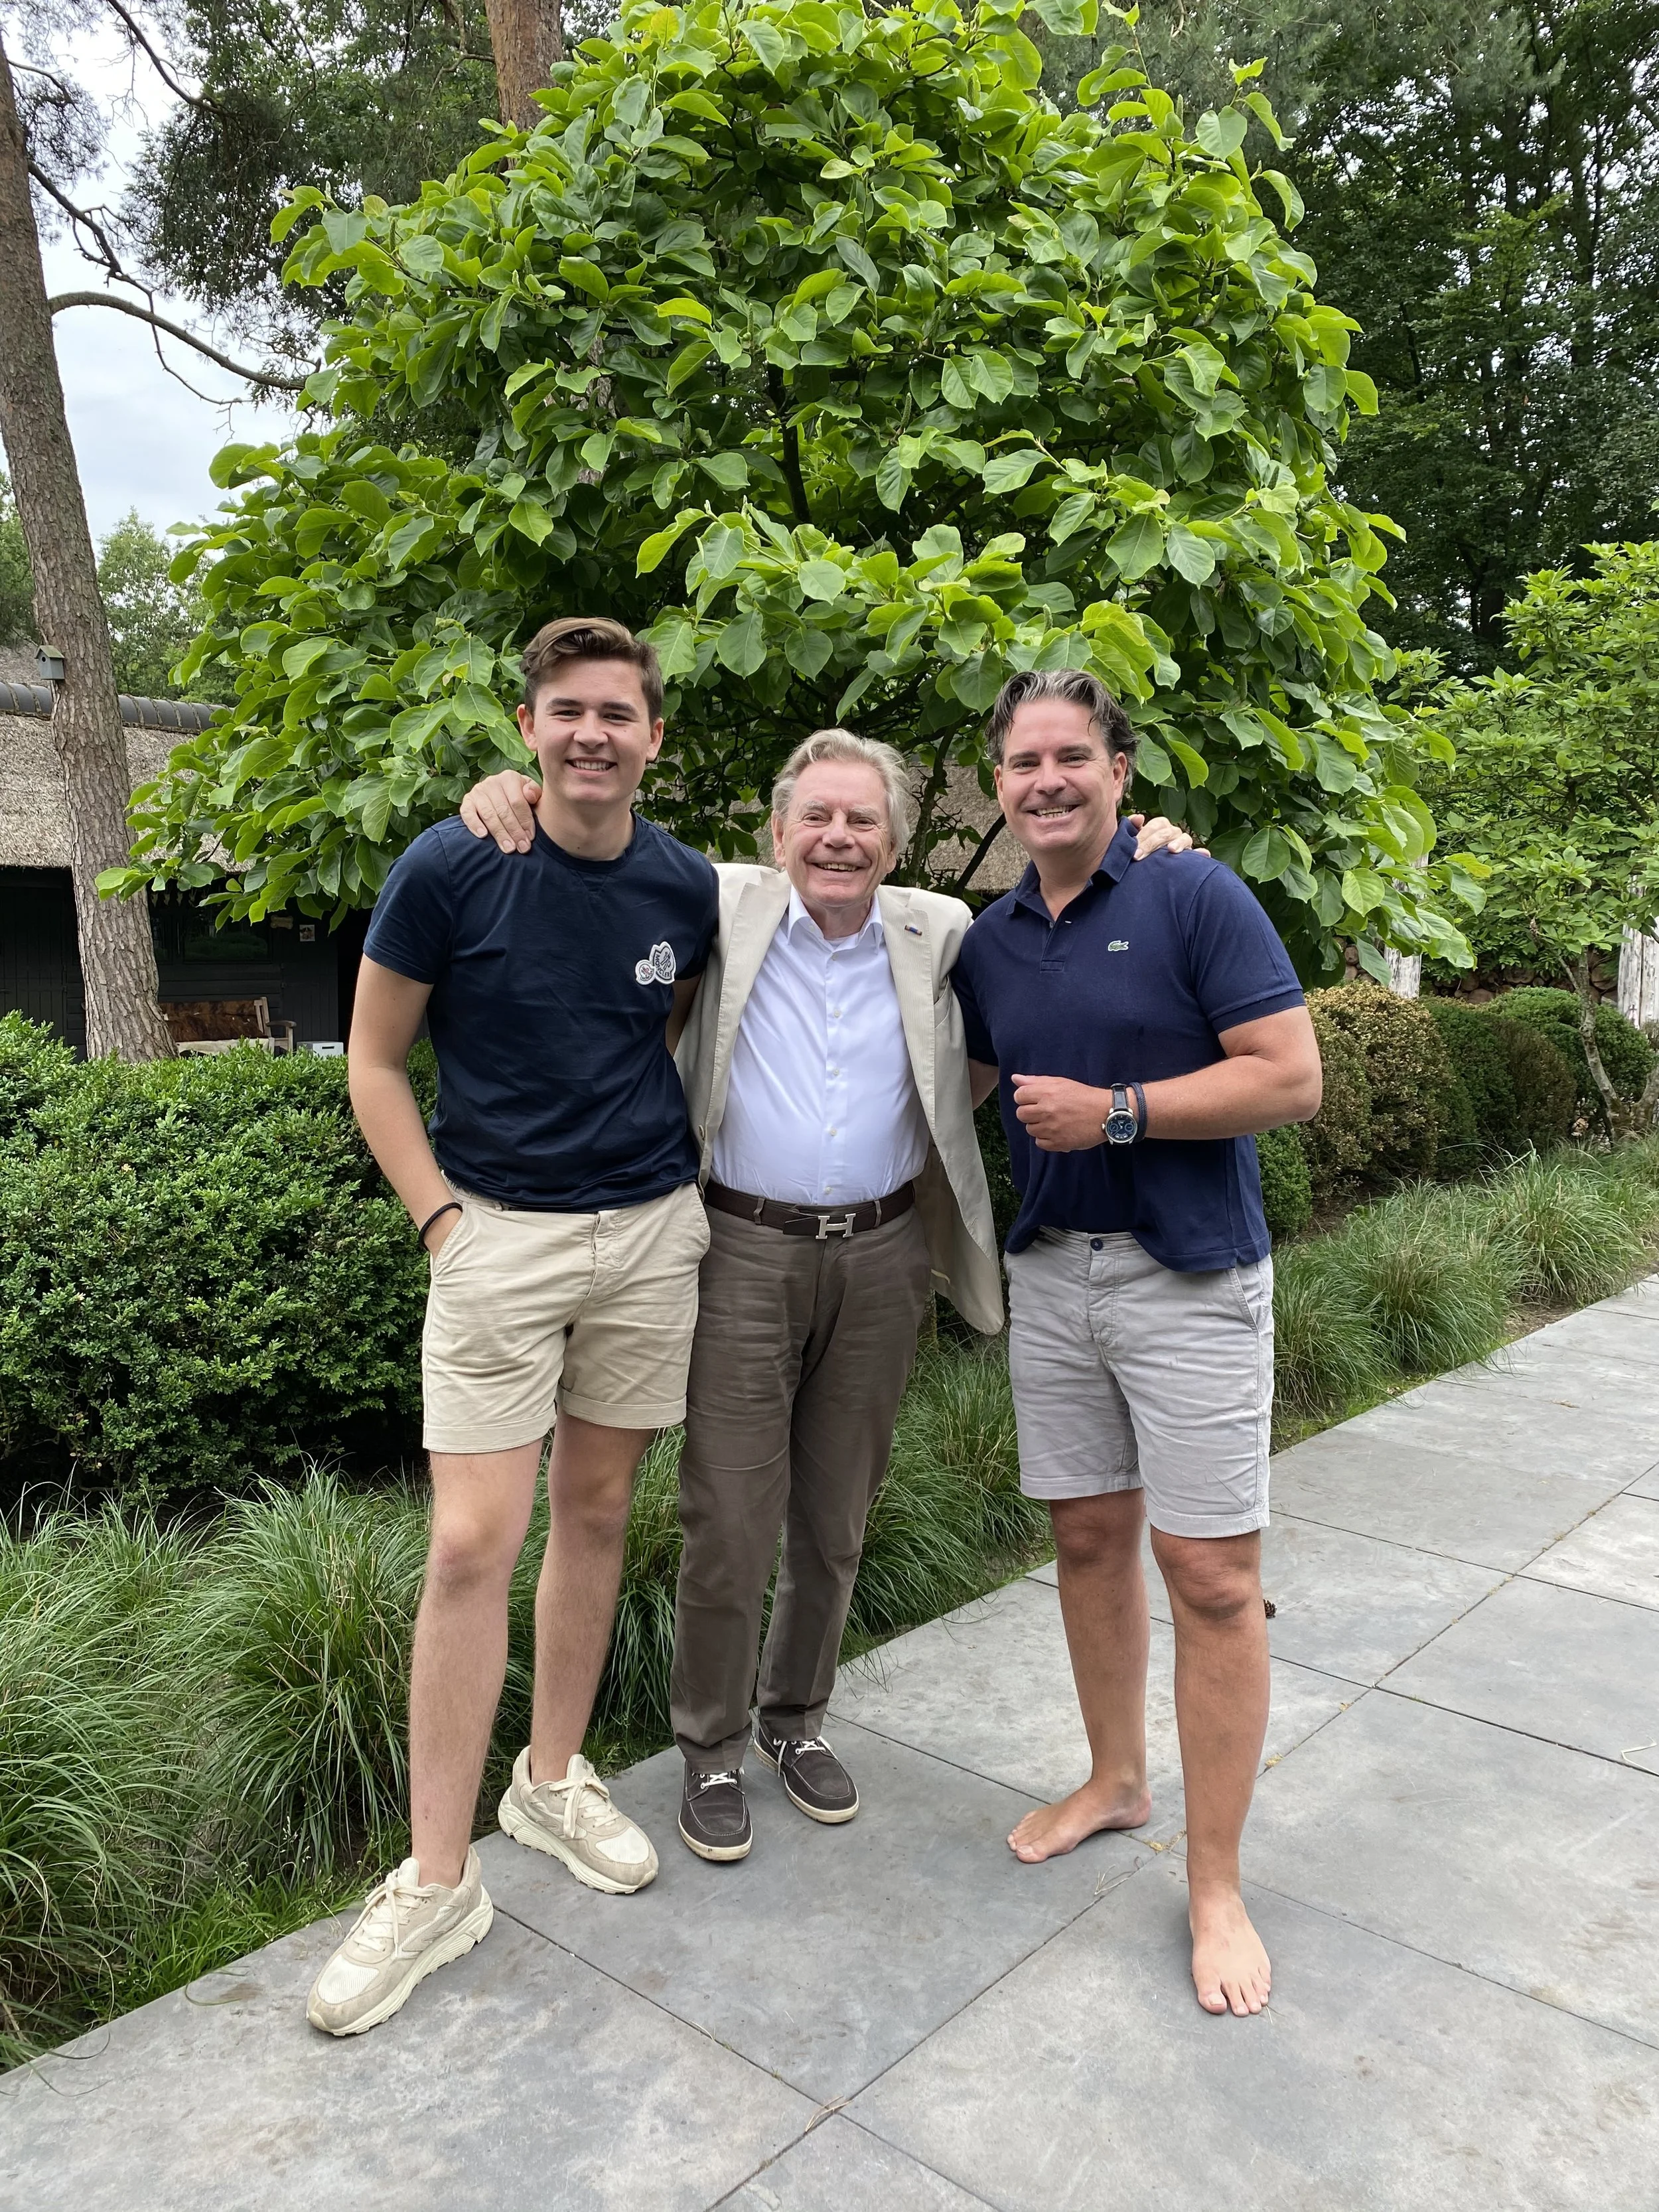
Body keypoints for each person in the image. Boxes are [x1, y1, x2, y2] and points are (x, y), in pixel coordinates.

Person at [459, 735, 1192, 1863]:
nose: (839, 839)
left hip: (885, 1253)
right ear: (780, 832)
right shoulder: (721, 902)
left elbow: (1064, 913)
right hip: (741, 1252)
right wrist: (514, 791)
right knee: (728, 1520)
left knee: (837, 1516)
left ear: (896, 843)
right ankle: (709, 1744)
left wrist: (1150, 845)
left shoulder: (943, 933)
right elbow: (593, 849)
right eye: (819, 819)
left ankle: (794, 1724)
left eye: (863, 823)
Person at [306, 616, 718, 2037]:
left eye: (618, 711)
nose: (593, 732)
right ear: (528, 728)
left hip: (653, 1234)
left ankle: (547, 1781)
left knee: (597, 1514)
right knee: (472, 1542)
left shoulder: (683, 884)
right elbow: (372, 1060)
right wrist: (439, 1220)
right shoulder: (451, 862)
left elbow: (652, 1041)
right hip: (495, 1240)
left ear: (653, 738)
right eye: (566, 711)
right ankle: (435, 1878)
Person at [952, 668, 1322, 2021]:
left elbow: (1287, 1074)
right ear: (995, 784)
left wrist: (1116, 1112)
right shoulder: (985, 940)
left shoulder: (1192, 893)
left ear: (1118, 770)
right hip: (1053, 1278)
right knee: (1087, 1543)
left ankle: (1214, 1884)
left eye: (1069, 755)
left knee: (1212, 1577)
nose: (1042, 778)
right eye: (1019, 761)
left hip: (1188, 1278)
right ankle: (1115, 1780)